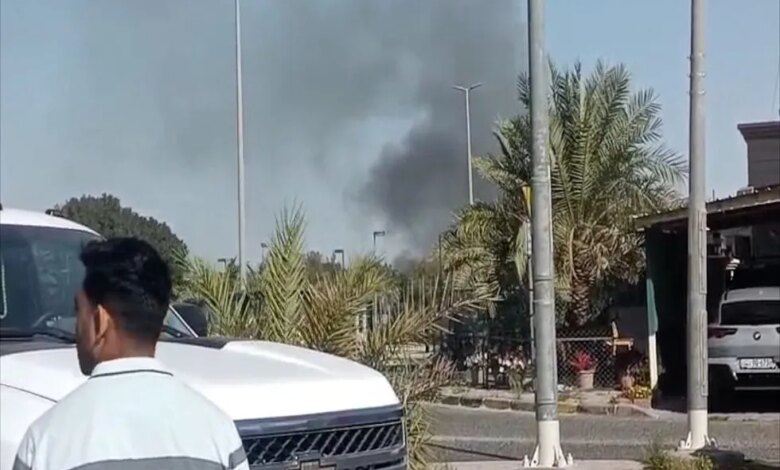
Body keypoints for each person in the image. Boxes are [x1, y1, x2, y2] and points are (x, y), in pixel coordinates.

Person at [13, 237, 249, 470]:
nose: (76, 327)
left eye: (78, 312)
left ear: (100, 320)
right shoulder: (219, 434)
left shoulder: (45, 442)